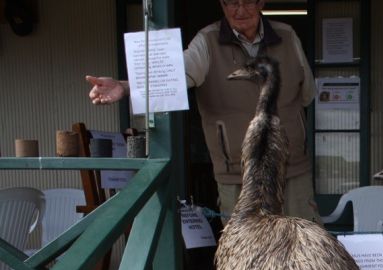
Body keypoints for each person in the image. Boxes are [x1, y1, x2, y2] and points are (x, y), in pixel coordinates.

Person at [86, 0, 318, 223]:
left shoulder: (287, 36)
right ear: (222, 5)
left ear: (261, 3)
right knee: (245, 255)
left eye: (247, 2)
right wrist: (124, 86)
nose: (240, 10)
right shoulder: (207, 41)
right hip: (236, 173)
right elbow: (173, 74)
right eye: (231, 3)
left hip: (292, 168)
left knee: (305, 249)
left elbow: (307, 93)